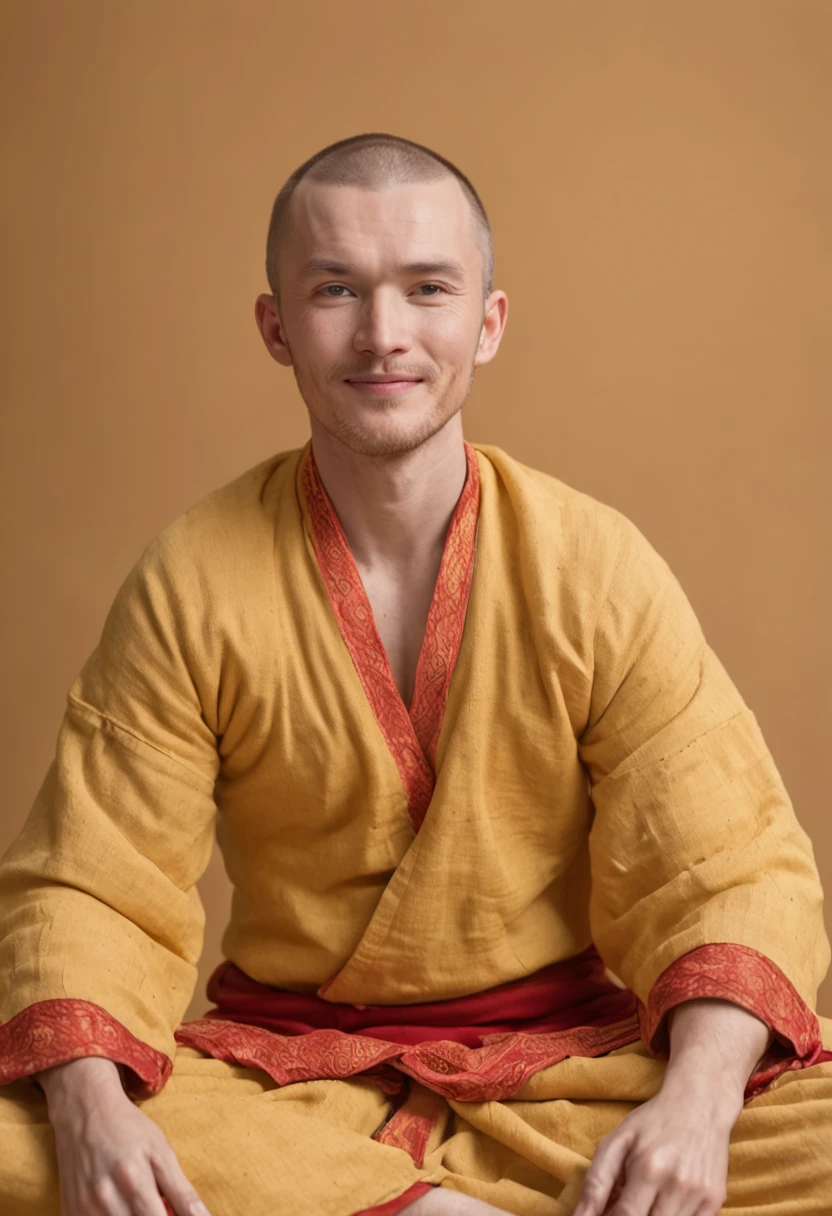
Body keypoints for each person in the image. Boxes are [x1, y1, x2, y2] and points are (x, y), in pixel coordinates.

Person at [0, 131, 830, 1216]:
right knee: (40, 1135)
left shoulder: (593, 564)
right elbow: (92, 885)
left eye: (426, 289)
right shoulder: (189, 579)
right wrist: (98, 1115)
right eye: (335, 289)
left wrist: (694, 1106)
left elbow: (730, 865)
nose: (383, 334)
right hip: (281, 1081)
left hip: (569, 1071)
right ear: (276, 326)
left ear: (486, 322)